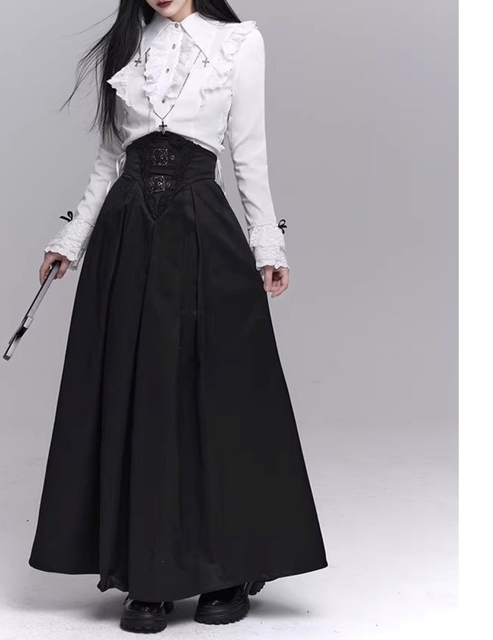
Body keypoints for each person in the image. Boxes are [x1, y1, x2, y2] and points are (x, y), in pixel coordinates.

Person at [29, 0, 328, 633]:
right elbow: (109, 162)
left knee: (214, 392)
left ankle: (226, 568)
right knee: (140, 395)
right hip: (128, 233)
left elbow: (248, 153)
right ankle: (149, 573)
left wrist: (268, 246)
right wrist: (69, 240)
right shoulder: (128, 46)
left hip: (199, 227)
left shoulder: (238, 44)